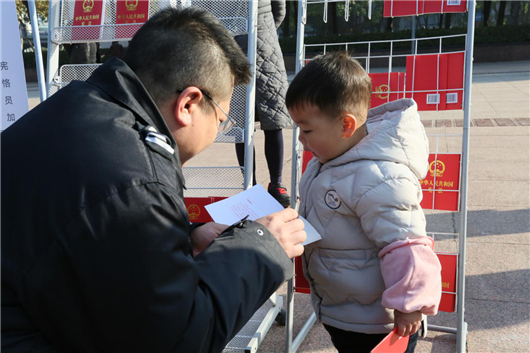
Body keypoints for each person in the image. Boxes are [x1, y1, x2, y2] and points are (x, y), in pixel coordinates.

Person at [1, 8, 306, 353]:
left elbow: (94, 233)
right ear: (189, 103)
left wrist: (187, 239)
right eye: (222, 118)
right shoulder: (137, 182)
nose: (220, 128)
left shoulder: (76, 105)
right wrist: (262, 246)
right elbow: (178, 336)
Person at [285, 52, 442, 353]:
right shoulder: (328, 160)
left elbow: (406, 243)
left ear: (346, 125)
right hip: (344, 309)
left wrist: (410, 303)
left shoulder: (380, 177)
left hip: (377, 322)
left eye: (307, 130)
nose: (301, 140)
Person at [234, 0, 291, 208]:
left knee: (273, 121)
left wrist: (262, 29)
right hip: (236, 52)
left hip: (264, 51)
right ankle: (251, 185)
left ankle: (276, 183)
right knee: (241, 125)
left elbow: (279, 11)